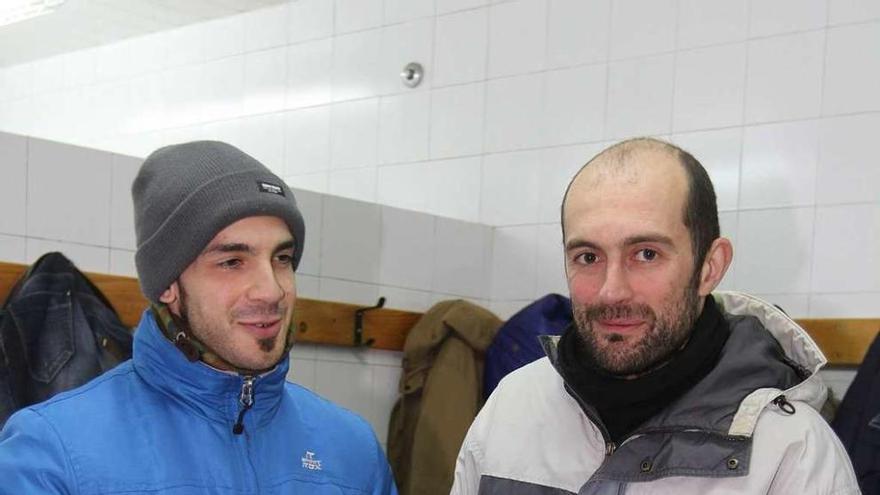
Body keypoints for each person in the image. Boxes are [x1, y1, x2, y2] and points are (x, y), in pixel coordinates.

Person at [451, 138, 859, 494]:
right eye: (588, 256)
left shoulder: (791, 451)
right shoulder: (511, 407)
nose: (612, 290)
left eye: (646, 254)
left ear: (709, 267)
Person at [0, 141, 397, 494]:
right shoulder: (55, 452)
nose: (272, 290)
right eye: (232, 262)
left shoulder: (350, 449)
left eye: (282, 259)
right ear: (167, 284)